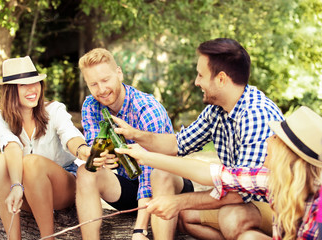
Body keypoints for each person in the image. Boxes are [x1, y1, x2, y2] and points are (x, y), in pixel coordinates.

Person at [111, 38, 285, 239]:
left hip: (272, 203)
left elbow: (239, 191)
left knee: (232, 217)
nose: (196, 82)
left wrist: (177, 201)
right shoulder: (216, 110)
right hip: (238, 192)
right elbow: (177, 144)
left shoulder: (256, 114)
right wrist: (136, 135)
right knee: (185, 216)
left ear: (221, 79)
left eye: (201, 75)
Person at [116, 105, 322, 239]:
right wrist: (145, 157)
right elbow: (209, 172)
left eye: (275, 138)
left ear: (289, 155)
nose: (268, 139)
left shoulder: (317, 212)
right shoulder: (270, 179)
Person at [75, 48, 183, 240]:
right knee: (86, 171)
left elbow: (153, 167)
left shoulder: (147, 108)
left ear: (119, 73)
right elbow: (94, 146)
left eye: (105, 80)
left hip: (165, 186)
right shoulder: (90, 106)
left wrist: (140, 229)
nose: (101, 90)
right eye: (93, 84)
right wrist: (101, 157)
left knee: (160, 174)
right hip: (130, 188)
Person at [0, 56, 89, 240]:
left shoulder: (54, 110)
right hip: (24, 190)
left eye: (35, 82)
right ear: (10, 90)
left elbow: (70, 135)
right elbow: (12, 147)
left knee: (32, 163)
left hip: (63, 186)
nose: (32, 89)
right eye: (23, 85)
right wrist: (17, 186)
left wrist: (83, 149)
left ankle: (47, 238)